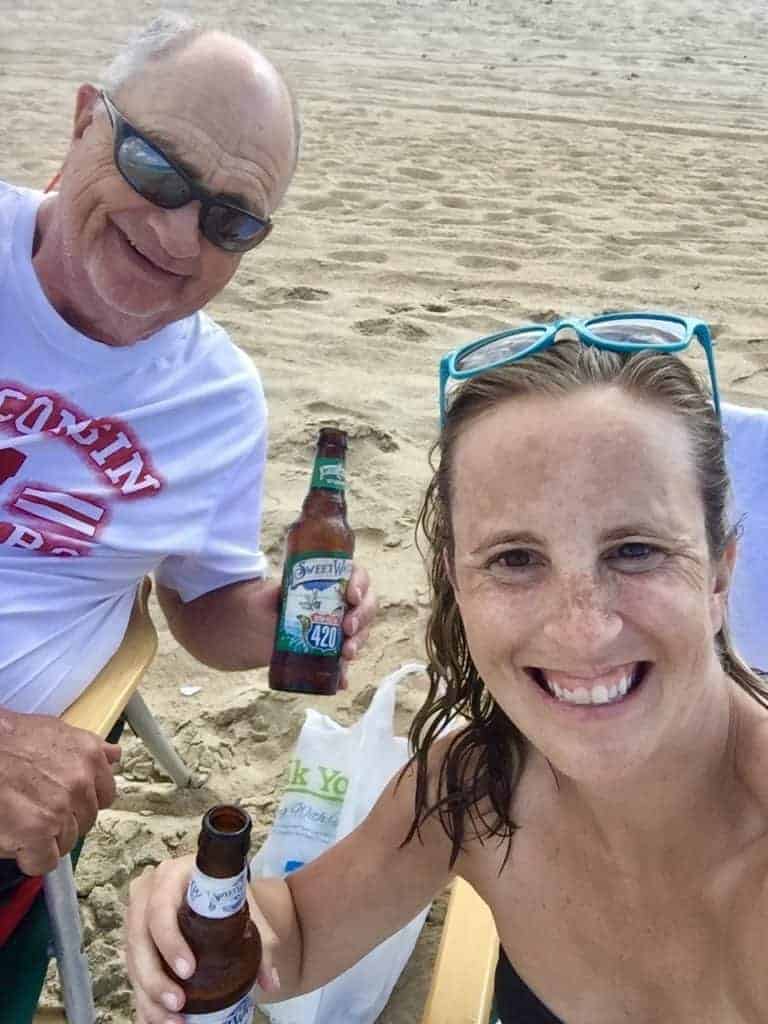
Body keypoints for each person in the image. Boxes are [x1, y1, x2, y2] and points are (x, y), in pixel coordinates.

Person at [126, 313, 768, 1023]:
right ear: (459, 593)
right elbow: (299, 933)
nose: (584, 629)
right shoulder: (474, 791)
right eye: (516, 560)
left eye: (636, 550)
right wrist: (201, 911)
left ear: (718, 577)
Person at [0, 14, 375, 931]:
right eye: (157, 168)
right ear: (87, 119)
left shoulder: (217, 400)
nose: (176, 232)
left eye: (229, 218)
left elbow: (203, 608)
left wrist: (289, 615)